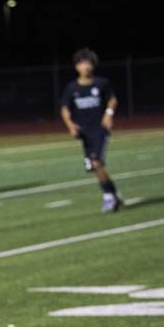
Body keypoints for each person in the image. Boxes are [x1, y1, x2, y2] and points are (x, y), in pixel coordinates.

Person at [60, 47, 123, 213]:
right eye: (82, 63)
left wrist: (108, 115)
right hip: (84, 133)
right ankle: (114, 193)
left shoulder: (101, 83)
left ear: (93, 65)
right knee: (94, 167)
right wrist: (70, 125)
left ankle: (109, 197)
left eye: (88, 63)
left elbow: (112, 100)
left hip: (100, 130)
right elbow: (65, 109)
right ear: (76, 67)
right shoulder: (71, 88)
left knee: (96, 163)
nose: (85, 67)